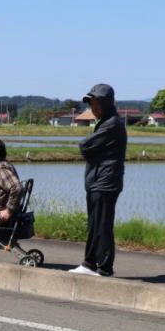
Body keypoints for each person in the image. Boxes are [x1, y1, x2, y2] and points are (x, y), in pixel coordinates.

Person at [71, 83, 127, 276]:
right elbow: (89, 148)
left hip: (105, 181)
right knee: (97, 223)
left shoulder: (112, 124)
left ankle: (100, 266)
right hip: (99, 181)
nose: (92, 108)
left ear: (106, 103)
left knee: (101, 224)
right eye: (91, 104)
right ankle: (93, 264)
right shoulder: (106, 122)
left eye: (95, 104)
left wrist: (89, 148)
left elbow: (85, 147)